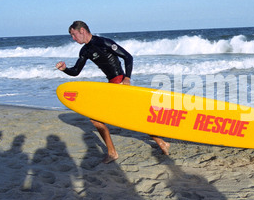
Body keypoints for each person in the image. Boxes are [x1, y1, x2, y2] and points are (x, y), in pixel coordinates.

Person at [56, 21, 170, 163]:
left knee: (97, 118)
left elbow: (128, 57)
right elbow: (76, 72)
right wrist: (65, 69)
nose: (73, 38)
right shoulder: (85, 51)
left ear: (82, 31)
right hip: (112, 85)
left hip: (120, 83)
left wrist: (127, 78)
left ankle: (113, 152)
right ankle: (161, 143)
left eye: (73, 34)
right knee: (134, 116)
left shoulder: (104, 42)